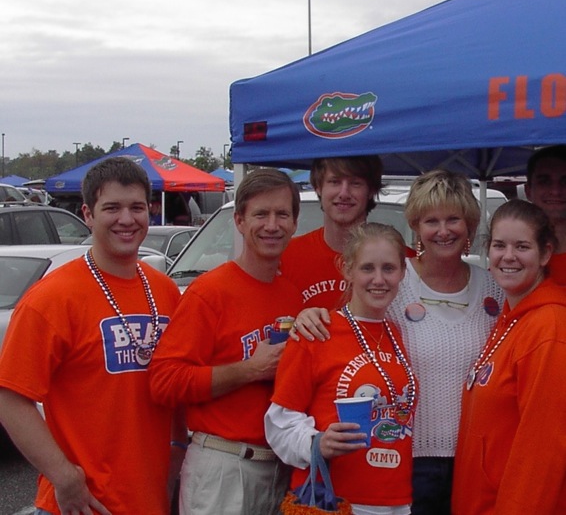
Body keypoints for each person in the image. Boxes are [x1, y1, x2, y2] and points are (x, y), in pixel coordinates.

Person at [294, 169, 503, 515]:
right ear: (417, 227)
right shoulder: (392, 278)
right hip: (402, 456)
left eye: (454, 219)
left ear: (469, 223)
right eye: (431, 220)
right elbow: (349, 329)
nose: (443, 230)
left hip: (474, 460)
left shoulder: (493, 286)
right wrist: (311, 314)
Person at [0, 157, 184, 515]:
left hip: (151, 498)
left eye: (136, 207)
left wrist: (177, 450)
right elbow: (10, 398)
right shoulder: (52, 298)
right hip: (82, 504)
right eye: (111, 208)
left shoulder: (165, 292)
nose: (126, 219)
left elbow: (176, 384)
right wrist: (63, 477)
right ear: (87, 214)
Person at [149, 168, 304, 515]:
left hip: (279, 466)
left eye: (282, 214)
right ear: (239, 221)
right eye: (260, 214)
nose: (272, 225)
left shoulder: (292, 296)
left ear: (295, 223)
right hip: (223, 465)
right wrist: (250, 370)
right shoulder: (210, 292)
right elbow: (164, 381)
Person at [266, 223, 416, 515]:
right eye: (367, 268)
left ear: (402, 273)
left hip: (396, 499)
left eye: (389, 268)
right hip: (334, 499)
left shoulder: (400, 334)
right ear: (347, 270)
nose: (379, 279)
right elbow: (278, 423)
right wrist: (317, 441)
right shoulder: (317, 332)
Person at [452, 198, 566, 514]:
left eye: (522, 247)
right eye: (500, 245)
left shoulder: (549, 328)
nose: (509, 257)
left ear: (545, 253)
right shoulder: (510, 318)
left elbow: (542, 451)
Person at [280, 155, 386, 309]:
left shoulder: (400, 261)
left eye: (355, 183)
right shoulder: (285, 257)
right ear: (318, 187)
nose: (344, 193)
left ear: (371, 190)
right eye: (335, 182)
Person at [525, 144, 566, 278]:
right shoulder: (513, 256)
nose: (555, 191)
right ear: (528, 191)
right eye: (545, 181)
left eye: (565, 182)